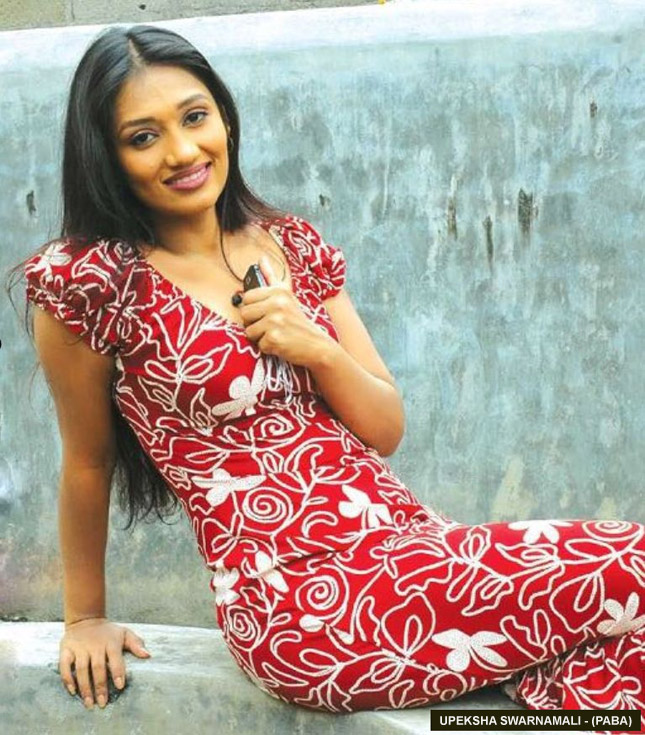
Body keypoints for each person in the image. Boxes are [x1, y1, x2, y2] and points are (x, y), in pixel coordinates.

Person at [11, 23, 644, 730]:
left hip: (409, 551)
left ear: (224, 117)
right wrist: (85, 617)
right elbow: (88, 460)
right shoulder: (94, 283)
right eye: (143, 136)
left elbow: (385, 427)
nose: (183, 151)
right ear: (106, 156)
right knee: (636, 559)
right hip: (299, 601)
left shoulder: (292, 244)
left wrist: (317, 348)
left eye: (194, 117)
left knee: (616, 668)